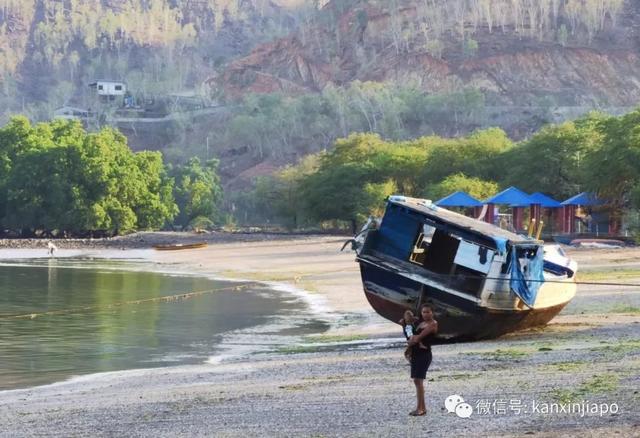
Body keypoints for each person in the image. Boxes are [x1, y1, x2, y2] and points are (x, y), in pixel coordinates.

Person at [406, 304, 438, 416]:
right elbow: (411, 334)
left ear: (432, 312)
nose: (425, 314)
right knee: (416, 380)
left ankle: (420, 408)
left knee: (418, 381)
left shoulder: (433, 324)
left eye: (428, 312)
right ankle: (422, 408)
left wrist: (413, 340)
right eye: (424, 312)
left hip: (424, 355)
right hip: (416, 353)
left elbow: (418, 337)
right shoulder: (420, 323)